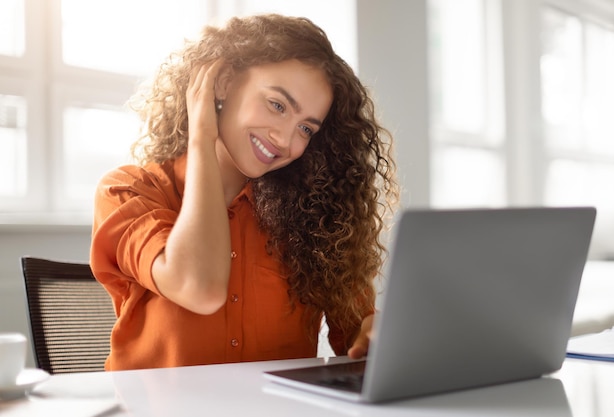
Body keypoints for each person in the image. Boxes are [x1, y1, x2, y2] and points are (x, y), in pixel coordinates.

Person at [90, 13, 398, 371]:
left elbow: (357, 336)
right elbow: (199, 288)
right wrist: (201, 136)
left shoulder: (316, 218)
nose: (286, 140)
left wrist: (375, 332)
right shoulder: (128, 193)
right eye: (277, 105)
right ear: (222, 83)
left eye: (306, 129)